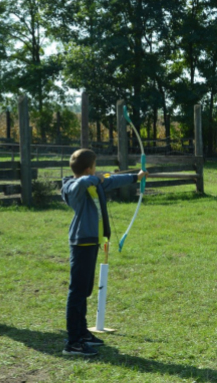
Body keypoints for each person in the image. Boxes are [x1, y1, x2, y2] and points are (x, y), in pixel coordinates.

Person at [61, 148, 146, 356]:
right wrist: (92, 177)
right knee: (78, 291)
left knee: (85, 289)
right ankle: (73, 342)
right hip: (81, 241)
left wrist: (136, 177)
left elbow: (112, 181)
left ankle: (82, 332)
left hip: (92, 241)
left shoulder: (93, 181)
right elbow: (77, 185)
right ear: (89, 168)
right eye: (94, 168)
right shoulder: (72, 185)